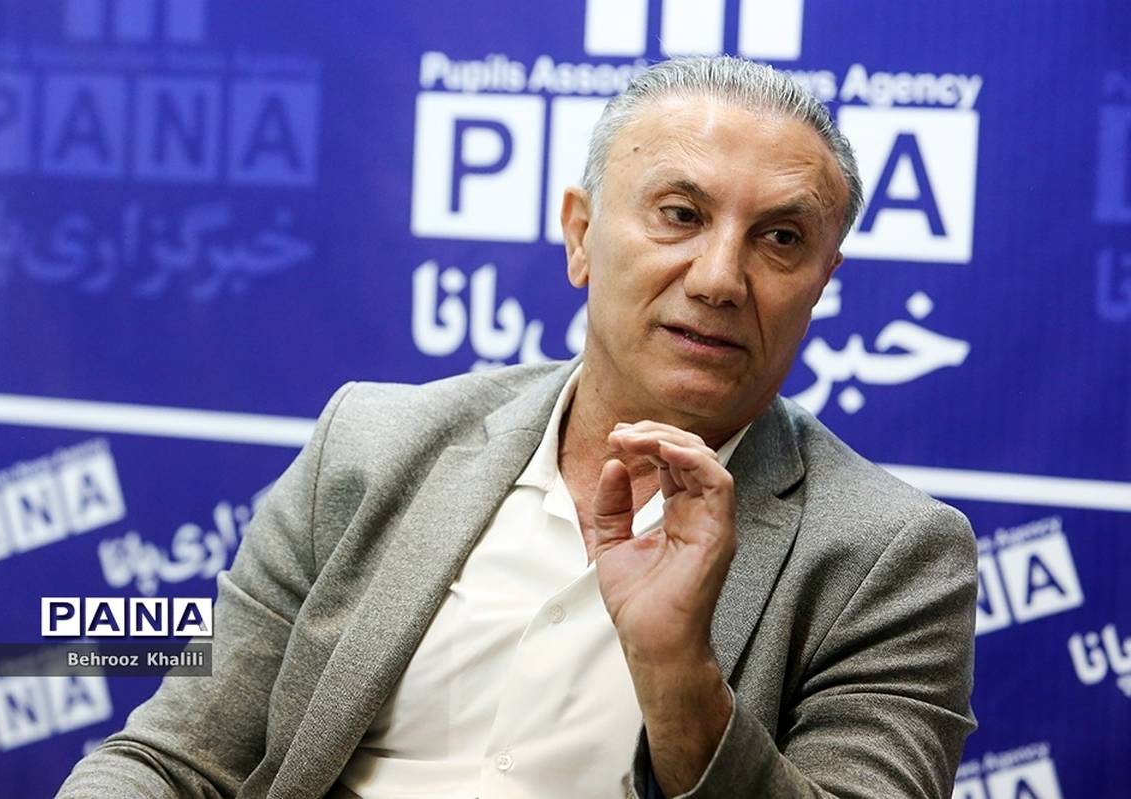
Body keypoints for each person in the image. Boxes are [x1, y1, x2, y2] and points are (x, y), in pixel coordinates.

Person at [57, 56, 977, 799]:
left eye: (781, 239)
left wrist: (678, 676)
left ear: (822, 282)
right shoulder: (371, 445)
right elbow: (178, 760)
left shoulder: (892, 557)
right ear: (581, 235)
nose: (717, 279)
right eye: (680, 215)